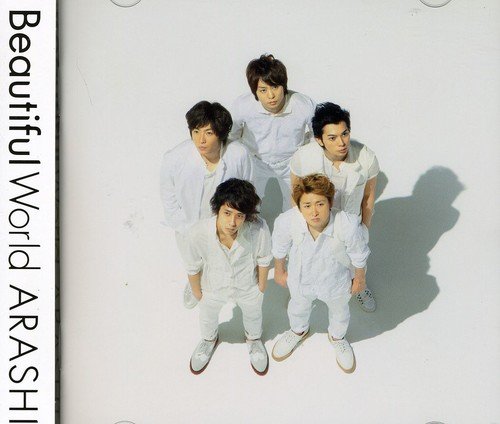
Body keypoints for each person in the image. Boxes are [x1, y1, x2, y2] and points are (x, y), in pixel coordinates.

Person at [271, 174, 370, 373]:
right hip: (301, 279)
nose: (314, 212)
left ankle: (338, 337)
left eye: (320, 204)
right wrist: (279, 270)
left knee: (340, 311)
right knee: (298, 306)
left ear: (330, 203)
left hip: (336, 281)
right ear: (299, 206)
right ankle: (298, 330)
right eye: (307, 205)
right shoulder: (287, 221)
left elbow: (359, 254)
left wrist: (359, 279)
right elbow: (279, 246)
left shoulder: (347, 224)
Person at [160, 101, 253, 309]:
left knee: (224, 259)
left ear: (220, 133)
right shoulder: (174, 158)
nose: (200, 140)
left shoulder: (239, 154)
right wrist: (183, 226)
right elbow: (168, 197)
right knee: (193, 260)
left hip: (224, 221)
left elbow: (247, 187)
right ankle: (195, 284)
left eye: (208, 133)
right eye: (196, 132)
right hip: (189, 222)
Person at [289, 102, 379, 312]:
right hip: (315, 221)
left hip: (350, 220)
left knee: (355, 260)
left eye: (345, 134)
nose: (341, 142)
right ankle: (302, 293)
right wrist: (301, 225)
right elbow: (295, 193)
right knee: (309, 261)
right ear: (319, 139)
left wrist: (364, 228)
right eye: (332, 138)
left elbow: (369, 196)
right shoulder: (303, 157)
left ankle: (360, 286)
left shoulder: (366, 157)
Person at [182, 179, 272, 375]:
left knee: (253, 315)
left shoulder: (259, 229)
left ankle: (254, 340)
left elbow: (264, 259)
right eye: (227, 213)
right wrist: (198, 294)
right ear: (217, 209)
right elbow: (192, 265)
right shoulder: (197, 232)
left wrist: (261, 288)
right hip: (212, 286)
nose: (232, 222)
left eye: (240, 216)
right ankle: (208, 340)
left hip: (247, 285)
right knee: (207, 317)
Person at [229, 54, 315, 213]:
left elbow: (317, 135)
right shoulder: (242, 105)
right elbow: (232, 136)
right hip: (255, 161)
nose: (270, 96)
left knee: (296, 208)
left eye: (275, 87)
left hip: (291, 162)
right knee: (246, 206)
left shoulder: (303, 104)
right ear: (255, 91)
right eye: (263, 90)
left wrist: (303, 153)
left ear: (284, 85)